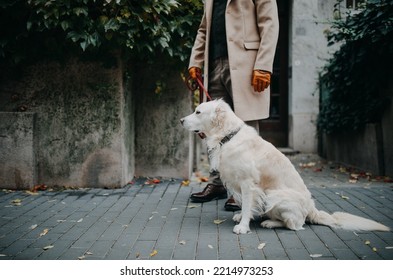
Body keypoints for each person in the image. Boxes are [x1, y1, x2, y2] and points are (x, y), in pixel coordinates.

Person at [188, 0, 279, 211]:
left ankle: (244, 189)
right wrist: (195, 61)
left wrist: (264, 65)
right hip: (214, 64)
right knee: (213, 128)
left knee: (245, 126)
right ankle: (218, 183)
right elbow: (204, 29)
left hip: (246, 64)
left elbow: (269, 23)